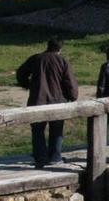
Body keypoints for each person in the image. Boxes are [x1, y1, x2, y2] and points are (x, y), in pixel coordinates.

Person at [16, 38, 79, 169]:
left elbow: (20, 73)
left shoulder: (36, 58)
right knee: (57, 130)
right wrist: (72, 97)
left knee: (37, 130)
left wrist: (28, 85)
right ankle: (55, 157)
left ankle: (40, 158)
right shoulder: (62, 61)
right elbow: (70, 82)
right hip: (57, 101)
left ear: (48, 46)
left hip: (37, 100)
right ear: (60, 49)